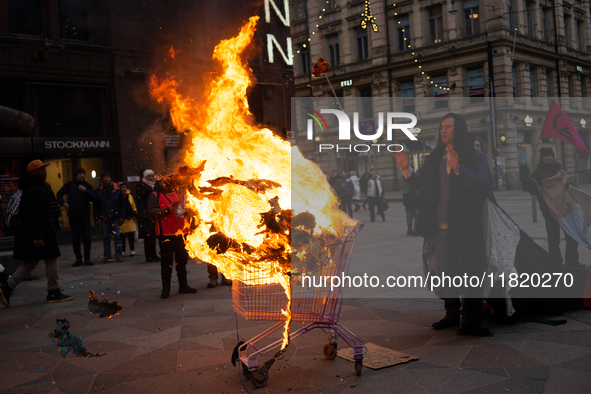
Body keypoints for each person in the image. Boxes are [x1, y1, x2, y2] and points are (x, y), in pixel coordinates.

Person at [394, 113, 491, 336]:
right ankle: (451, 313)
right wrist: (406, 170)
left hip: (465, 227)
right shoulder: (435, 158)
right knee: (444, 274)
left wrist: (458, 169)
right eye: (441, 127)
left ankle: (471, 319)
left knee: (470, 273)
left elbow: (482, 184)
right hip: (440, 228)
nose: (443, 130)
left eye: (448, 126)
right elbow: (424, 188)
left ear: (460, 129)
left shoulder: (475, 156)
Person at [0, 160, 72, 307]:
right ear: (34, 172)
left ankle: (7, 288)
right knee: (52, 258)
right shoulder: (38, 190)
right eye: (41, 169)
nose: (45, 171)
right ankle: (54, 291)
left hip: (29, 233)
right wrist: (38, 237)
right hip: (41, 233)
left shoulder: (26, 188)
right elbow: (37, 214)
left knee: (31, 261)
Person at [528, 148, 580, 267]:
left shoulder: (560, 170)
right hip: (549, 210)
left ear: (553, 156)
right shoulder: (537, 173)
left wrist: (571, 185)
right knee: (553, 239)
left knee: (572, 236)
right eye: (545, 156)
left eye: (550, 155)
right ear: (541, 158)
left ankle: (572, 262)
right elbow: (533, 191)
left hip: (565, 208)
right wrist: (530, 184)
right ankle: (556, 264)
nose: (548, 158)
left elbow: (567, 183)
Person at [147, 180, 197, 298]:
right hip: (166, 233)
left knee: (182, 261)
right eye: (164, 183)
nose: (167, 185)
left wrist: (188, 211)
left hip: (182, 232)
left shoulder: (179, 193)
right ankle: (166, 289)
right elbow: (151, 211)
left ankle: (183, 286)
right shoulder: (155, 195)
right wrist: (167, 210)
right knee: (166, 262)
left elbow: (187, 206)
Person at [57, 167, 95, 266]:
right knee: (75, 237)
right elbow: (59, 194)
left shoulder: (87, 185)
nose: (82, 175)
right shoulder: (69, 185)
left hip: (85, 215)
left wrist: (85, 190)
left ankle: (87, 258)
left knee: (86, 237)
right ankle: (78, 258)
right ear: (76, 175)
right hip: (73, 215)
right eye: (80, 173)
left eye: (83, 173)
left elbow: (93, 198)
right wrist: (63, 203)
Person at [94, 171, 125, 263]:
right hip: (104, 217)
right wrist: (96, 217)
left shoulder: (117, 189)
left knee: (117, 236)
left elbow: (123, 203)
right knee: (106, 236)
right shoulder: (98, 190)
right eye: (104, 177)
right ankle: (107, 255)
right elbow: (96, 205)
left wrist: (122, 215)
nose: (106, 179)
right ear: (102, 179)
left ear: (110, 178)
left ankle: (118, 254)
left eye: (107, 177)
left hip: (115, 216)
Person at [136, 170, 160, 262]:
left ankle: (153, 254)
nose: (151, 177)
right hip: (146, 215)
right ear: (145, 177)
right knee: (148, 236)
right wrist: (144, 213)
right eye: (149, 176)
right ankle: (149, 255)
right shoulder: (141, 186)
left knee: (153, 236)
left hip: (153, 213)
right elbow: (140, 202)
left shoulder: (153, 186)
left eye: (152, 176)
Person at [119, 182, 138, 257]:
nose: (124, 189)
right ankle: (123, 250)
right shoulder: (118, 196)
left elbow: (133, 205)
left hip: (130, 219)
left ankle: (132, 250)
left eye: (125, 187)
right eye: (122, 187)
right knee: (122, 236)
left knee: (131, 236)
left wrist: (135, 213)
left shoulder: (130, 196)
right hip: (122, 219)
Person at [401, 161, 419, 236]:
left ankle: (413, 229)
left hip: (412, 197)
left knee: (412, 213)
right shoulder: (404, 176)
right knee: (412, 213)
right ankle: (411, 229)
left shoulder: (413, 176)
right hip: (410, 196)